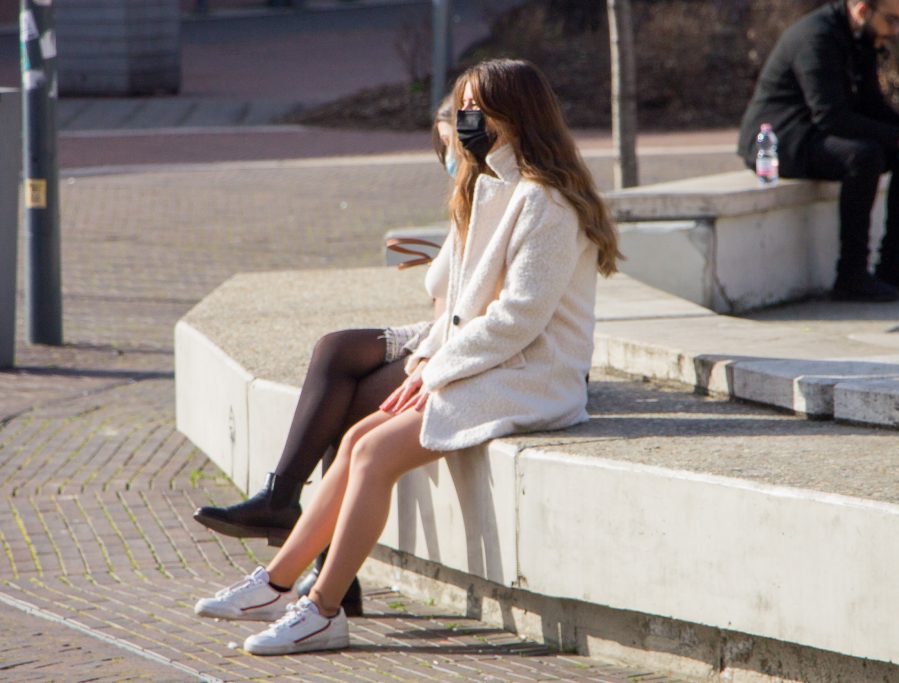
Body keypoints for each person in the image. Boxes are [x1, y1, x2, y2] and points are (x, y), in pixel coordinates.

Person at [193, 58, 620, 656]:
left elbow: (518, 319)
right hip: (493, 365)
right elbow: (460, 306)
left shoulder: (545, 203)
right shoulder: (490, 186)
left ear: (514, 116)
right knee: (357, 439)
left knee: (373, 452)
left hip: (534, 376)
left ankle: (323, 610)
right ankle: (276, 583)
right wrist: (426, 361)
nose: (463, 121)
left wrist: (435, 369)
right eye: (461, 109)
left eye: (474, 110)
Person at [191, 96, 456, 614]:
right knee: (334, 349)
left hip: (452, 344)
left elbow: (479, 312)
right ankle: (284, 502)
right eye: (442, 147)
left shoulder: (499, 198)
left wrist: (430, 355)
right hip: (438, 334)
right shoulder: (470, 196)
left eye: (454, 146)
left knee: (349, 401)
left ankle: (320, 567)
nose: (450, 157)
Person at [737, 0, 899, 302]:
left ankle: (894, 265)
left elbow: (871, 107)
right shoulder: (817, 37)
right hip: (780, 140)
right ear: (863, 10)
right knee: (864, 156)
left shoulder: (860, 37)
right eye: (891, 20)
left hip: (816, 133)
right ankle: (851, 275)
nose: (896, 31)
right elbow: (831, 117)